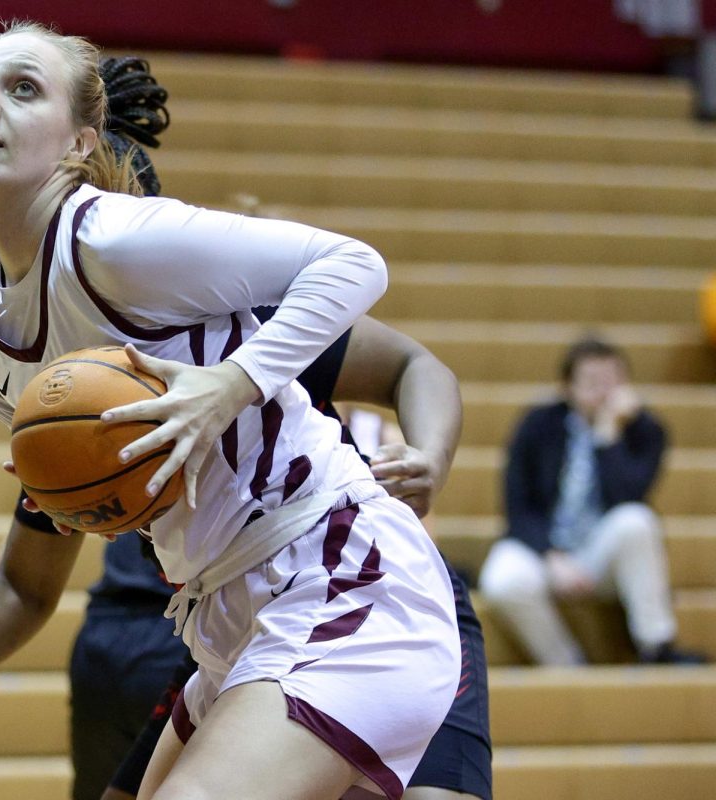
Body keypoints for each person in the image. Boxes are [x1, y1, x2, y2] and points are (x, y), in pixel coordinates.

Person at [0, 22, 460, 800]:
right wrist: (72, 493)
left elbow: (354, 264)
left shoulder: (115, 237)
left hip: (339, 566)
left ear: (78, 143)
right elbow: (53, 549)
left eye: (21, 88)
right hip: (222, 612)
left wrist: (232, 383)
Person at [64, 56, 488, 800]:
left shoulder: (249, 329)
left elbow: (417, 367)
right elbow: (20, 582)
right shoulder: (71, 382)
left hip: (351, 575)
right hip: (226, 610)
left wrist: (431, 456)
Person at [478, 337, 705, 666]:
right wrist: (550, 556)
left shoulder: (647, 431)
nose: (604, 392)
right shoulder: (537, 424)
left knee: (636, 520)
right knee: (502, 581)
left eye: (613, 381)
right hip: (545, 551)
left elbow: (627, 496)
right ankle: (565, 664)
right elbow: (517, 505)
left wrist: (607, 436)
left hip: (602, 553)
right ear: (567, 387)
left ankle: (656, 647)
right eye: (592, 382)